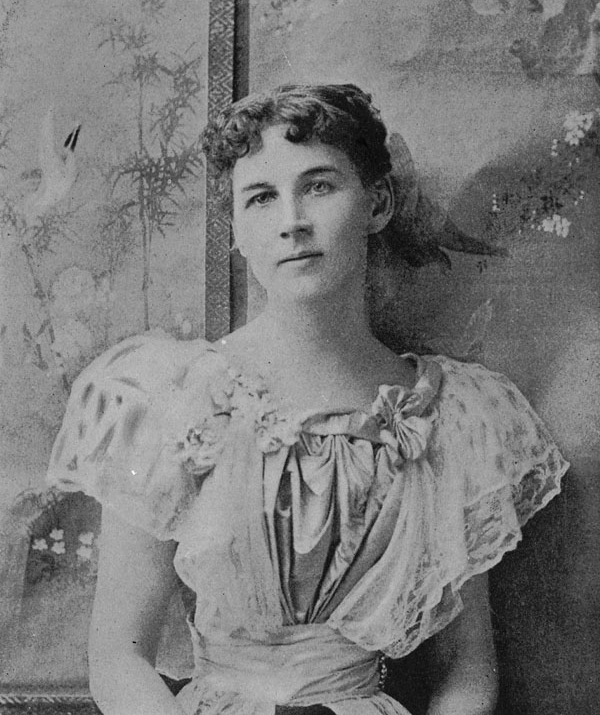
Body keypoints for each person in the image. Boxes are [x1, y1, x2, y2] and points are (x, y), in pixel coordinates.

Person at [47, 84, 569, 715]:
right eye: (261, 198)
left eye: (319, 186)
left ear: (376, 203)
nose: (292, 221)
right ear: (237, 230)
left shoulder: (452, 414)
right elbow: (117, 657)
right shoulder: (167, 397)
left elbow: (465, 670)